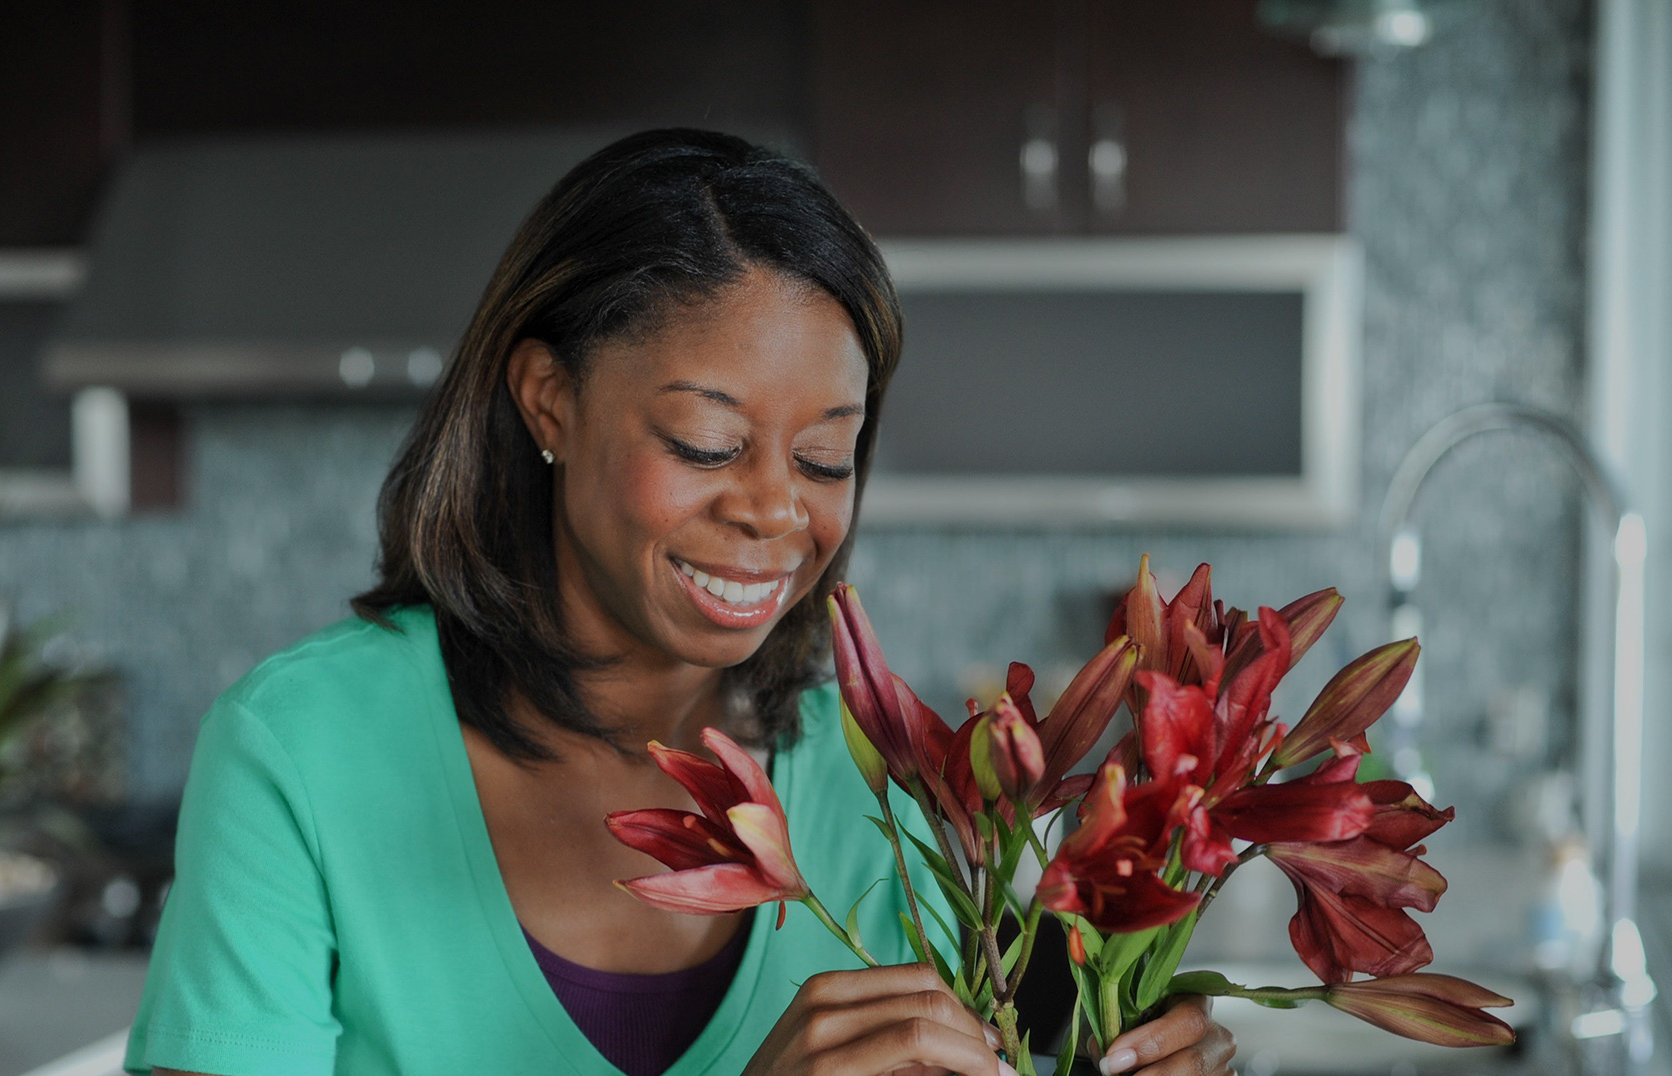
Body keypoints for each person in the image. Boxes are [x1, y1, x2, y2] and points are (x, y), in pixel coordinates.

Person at [127, 129, 1236, 1076]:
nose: (773, 510)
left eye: (823, 455)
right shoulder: (299, 752)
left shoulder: (887, 786)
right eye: (705, 442)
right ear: (546, 399)